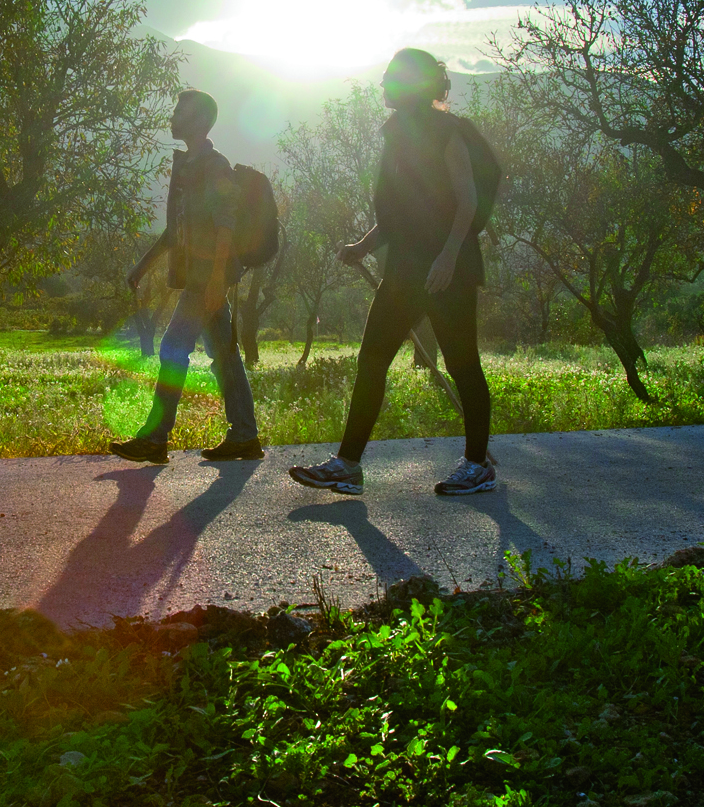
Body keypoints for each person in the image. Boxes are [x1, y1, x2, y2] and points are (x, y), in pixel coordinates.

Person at [289, 48, 499, 497]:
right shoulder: (397, 134)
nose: (382, 85)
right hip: (404, 269)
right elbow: (402, 212)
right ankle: (347, 464)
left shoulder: (448, 132)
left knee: (464, 366)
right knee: (372, 361)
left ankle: (478, 464)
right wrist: (363, 246)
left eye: (389, 79)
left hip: (448, 271)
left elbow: (467, 201)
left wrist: (447, 258)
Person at [108, 89, 263, 462]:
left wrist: (215, 280)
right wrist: (142, 266)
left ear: (199, 121)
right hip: (201, 276)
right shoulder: (188, 167)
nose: (173, 116)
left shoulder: (214, 166)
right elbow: (175, 231)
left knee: (173, 349)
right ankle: (244, 436)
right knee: (225, 356)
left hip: (206, 277)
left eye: (181, 111)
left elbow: (226, 223)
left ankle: (156, 438)